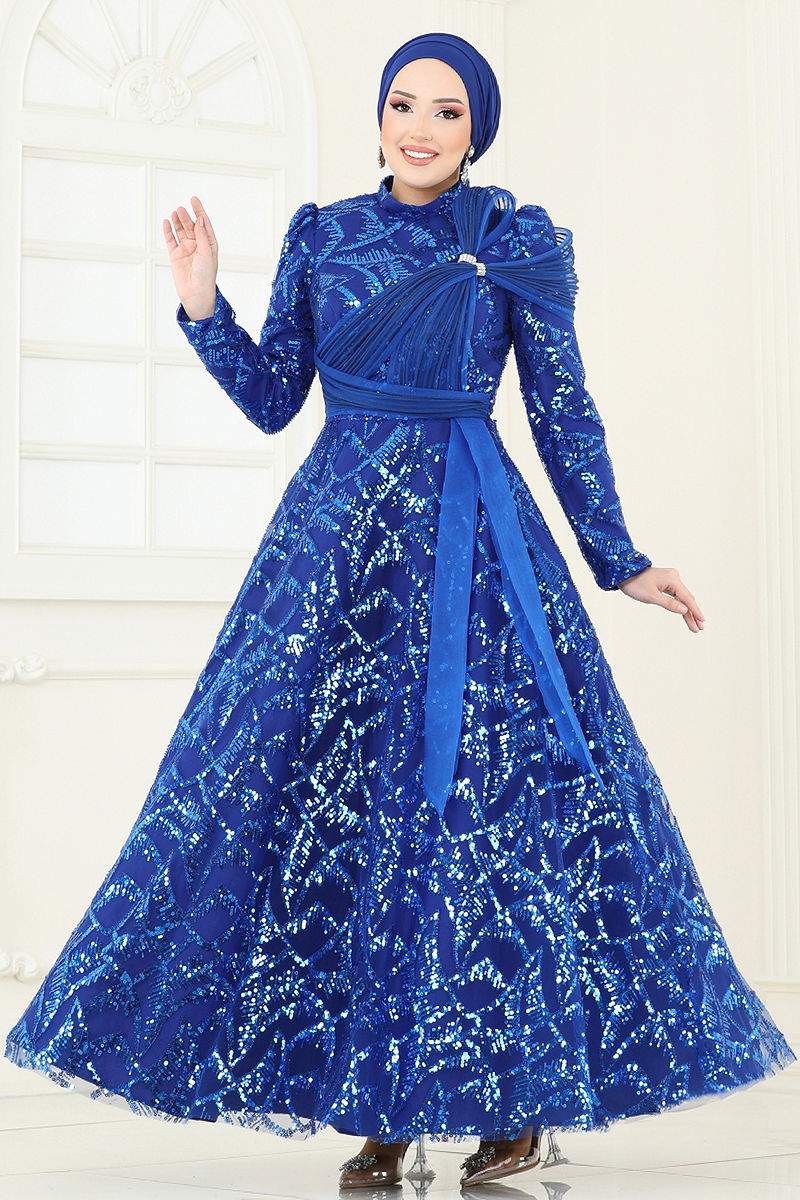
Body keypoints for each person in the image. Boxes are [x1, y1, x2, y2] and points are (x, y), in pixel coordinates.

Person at [4, 29, 795, 1195]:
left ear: (477, 130)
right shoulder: (324, 234)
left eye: (446, 111)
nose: (419, 128)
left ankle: (506, 1107)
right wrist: (201, 304)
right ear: (377, 117)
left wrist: (616, 557)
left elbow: (563, 409)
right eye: (401, 105)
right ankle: (377, 1105)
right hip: (336, 556)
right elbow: (274, 399)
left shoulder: (513, 242)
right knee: (324, 812)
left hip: (477, 554)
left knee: (479, 823)